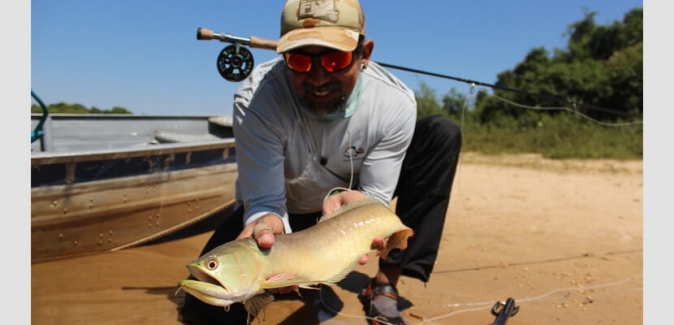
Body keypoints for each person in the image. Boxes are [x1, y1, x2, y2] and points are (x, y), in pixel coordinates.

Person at [180, 0, 462, 324]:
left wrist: (357, 213)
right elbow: (265, 203)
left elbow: (375, 202)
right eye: (299, 61)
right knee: (203, 310)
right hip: (283, 215)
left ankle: (385, 283)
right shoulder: (256, 100)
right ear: (283, 58)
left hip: (347, 212)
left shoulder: (394, 103)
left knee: (441, 134)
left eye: (335, 59)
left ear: (364, 54)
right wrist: (265, 225)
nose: (317, 78)